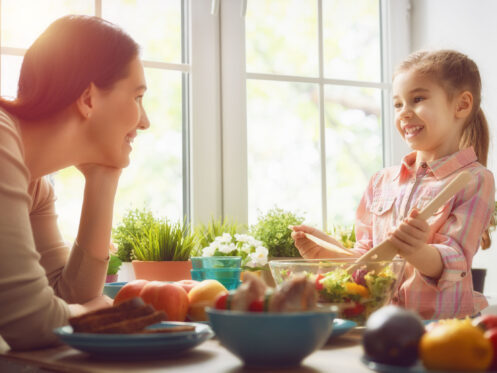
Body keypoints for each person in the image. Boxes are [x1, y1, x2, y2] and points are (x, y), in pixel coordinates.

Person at [291, 50, 495, 320]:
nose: (404, 113)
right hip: (380, 323)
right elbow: (371, 261)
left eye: (418, 99)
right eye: (398, 104)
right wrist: (330, 253)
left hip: (439, 330)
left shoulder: (475, 179)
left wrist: (417, 251)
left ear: (462, 105)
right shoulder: (381, 181)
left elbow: (455, 261)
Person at [0, 15, 149, 350]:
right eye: (137, 97)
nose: (145, 122)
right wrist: (96, 311)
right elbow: (33, 322)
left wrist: (103, 178)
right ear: (88, 99)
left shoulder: (34, 186)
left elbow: (65, 296)